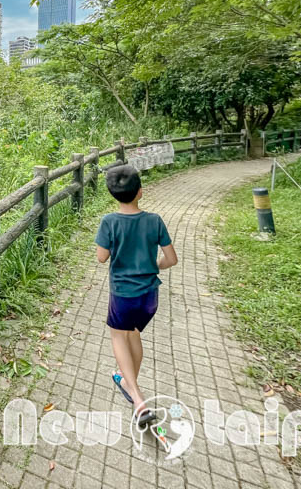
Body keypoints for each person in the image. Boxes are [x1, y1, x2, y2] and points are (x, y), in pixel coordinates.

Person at [95, 164, 177, 425]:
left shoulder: (109, 222)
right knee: (134, 335)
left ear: (112, 194)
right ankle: (129, 384)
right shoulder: (154, 221)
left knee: (118, 337)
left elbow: (101, 257)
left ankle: (138, 399)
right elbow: (171, 259)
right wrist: (154, 266)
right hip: (149, 297)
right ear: (140, 192)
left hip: (123, 294)